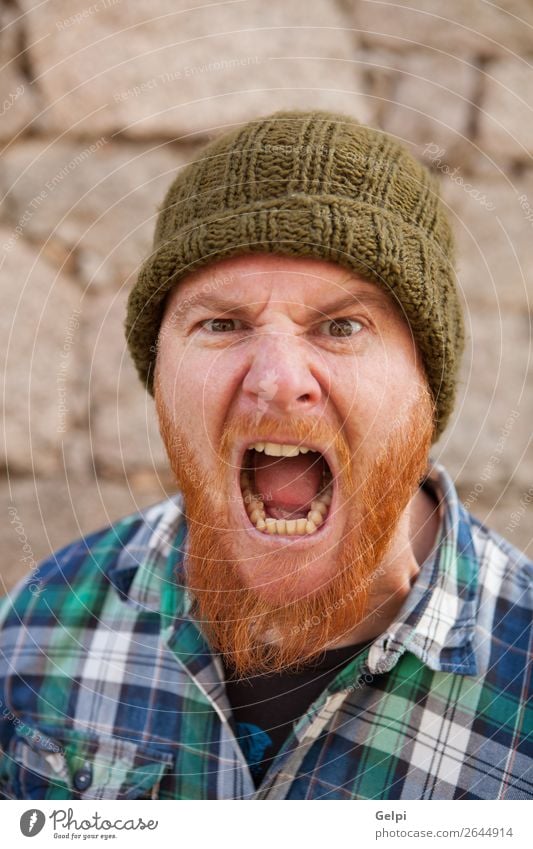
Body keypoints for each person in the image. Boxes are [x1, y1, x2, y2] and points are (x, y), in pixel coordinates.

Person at [0, 110, 531, 801]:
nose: (277, 380)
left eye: (342, 325)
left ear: (423, 384)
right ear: (159, 376)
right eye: (221, 324)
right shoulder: (39, 627)